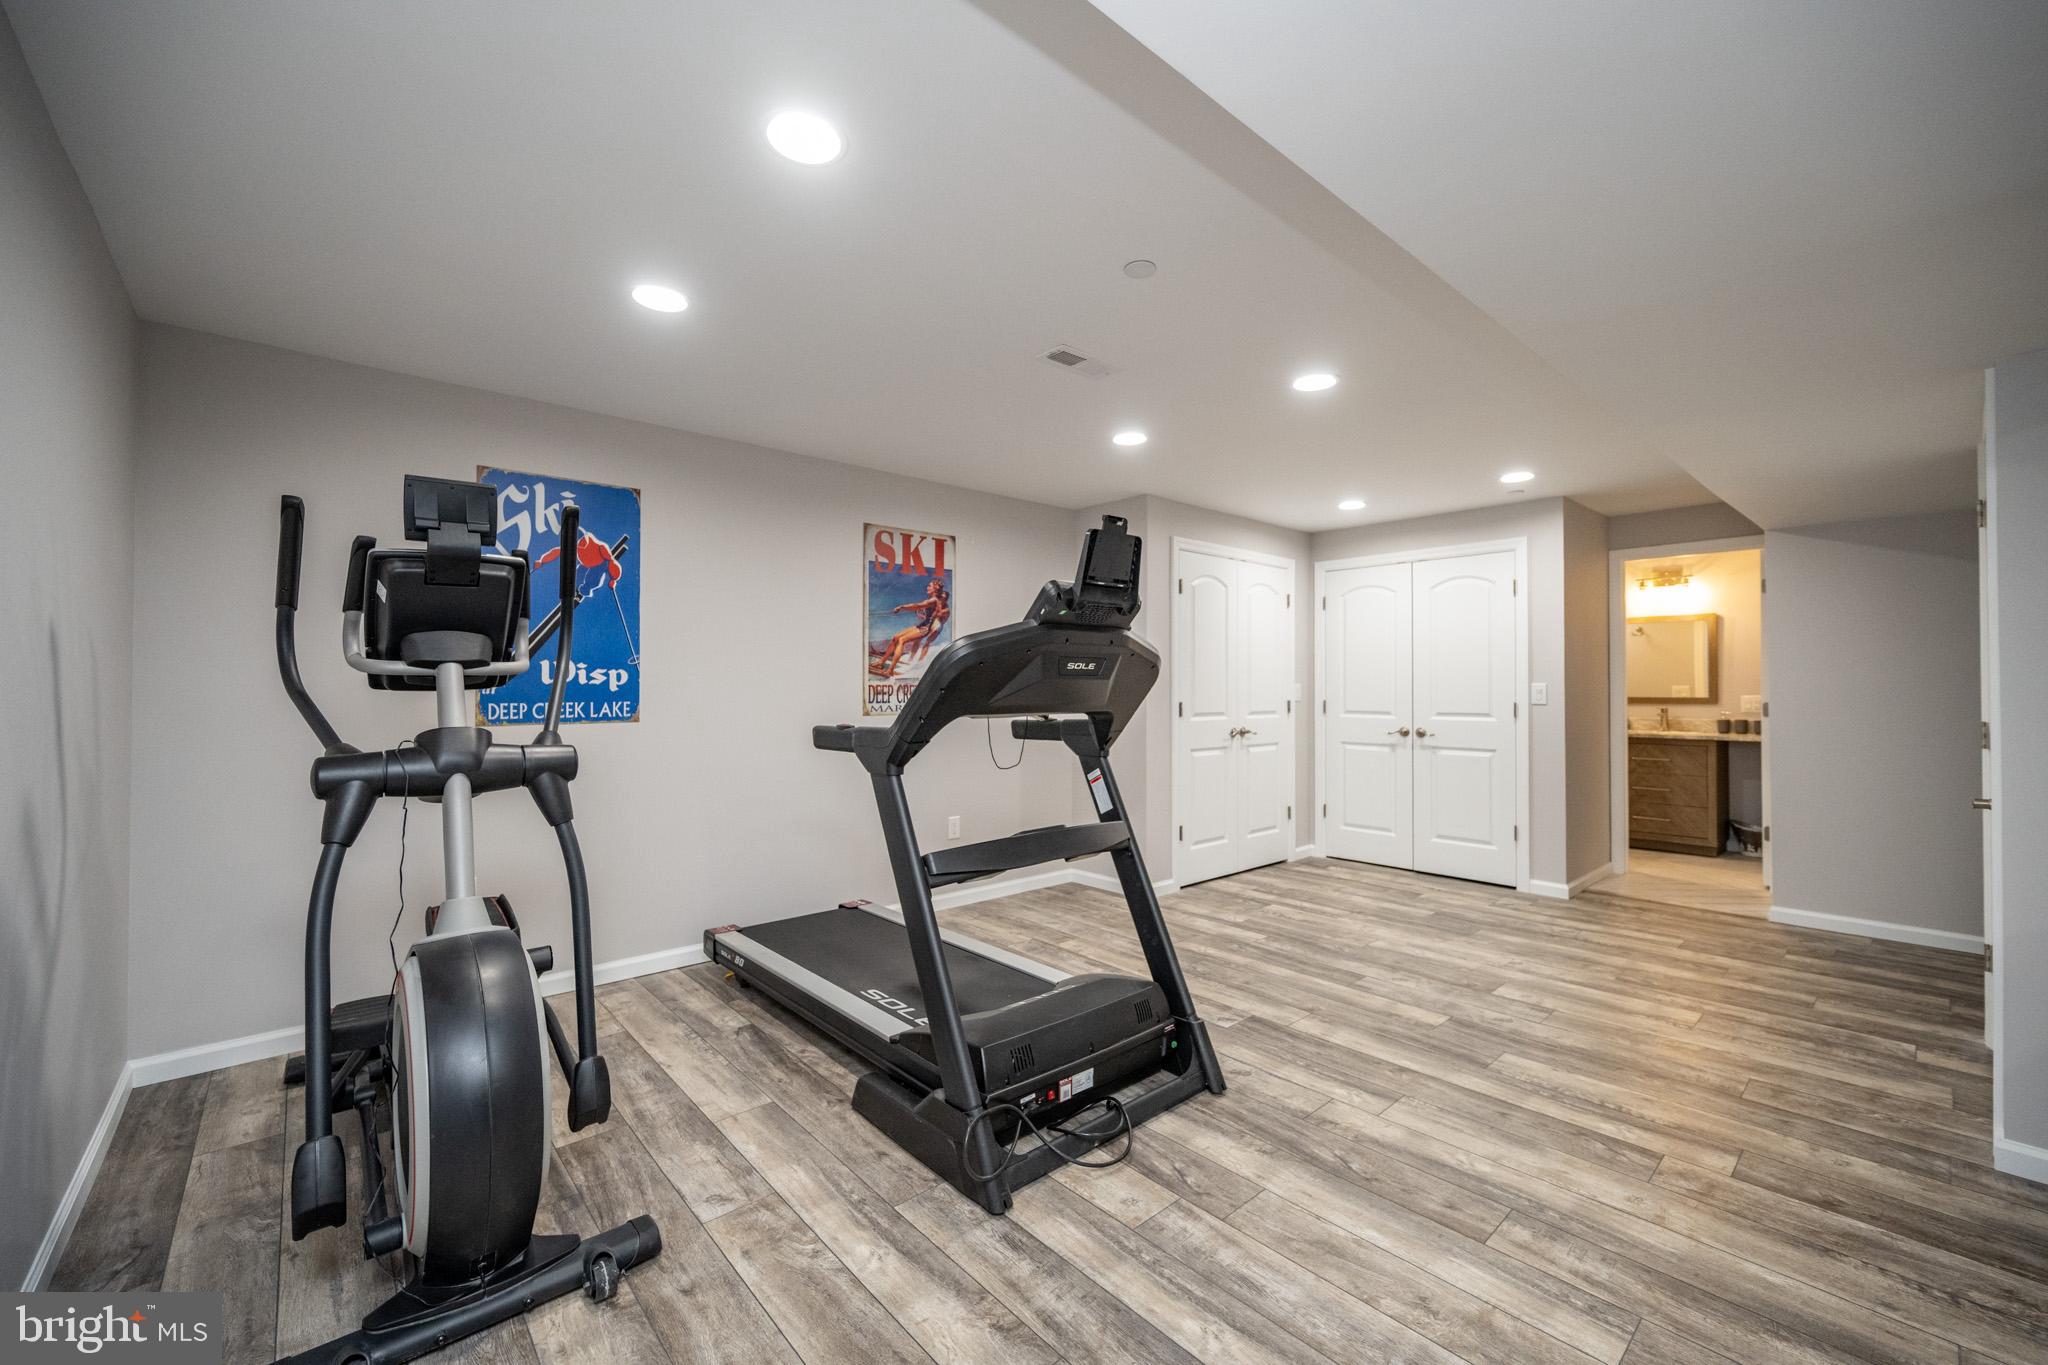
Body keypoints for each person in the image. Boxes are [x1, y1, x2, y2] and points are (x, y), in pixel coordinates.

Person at [868, 578, 950, 677]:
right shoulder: (934, 600)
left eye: (929, 586)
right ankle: (881, 663)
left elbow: (917, 606)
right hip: (922, 625)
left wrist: (901, 607)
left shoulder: (933, 600)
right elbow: (921, 608)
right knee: (895, 638)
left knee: (901, 640)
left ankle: (890, 670)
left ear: (935, 589)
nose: (927, 587)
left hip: (925, 629)